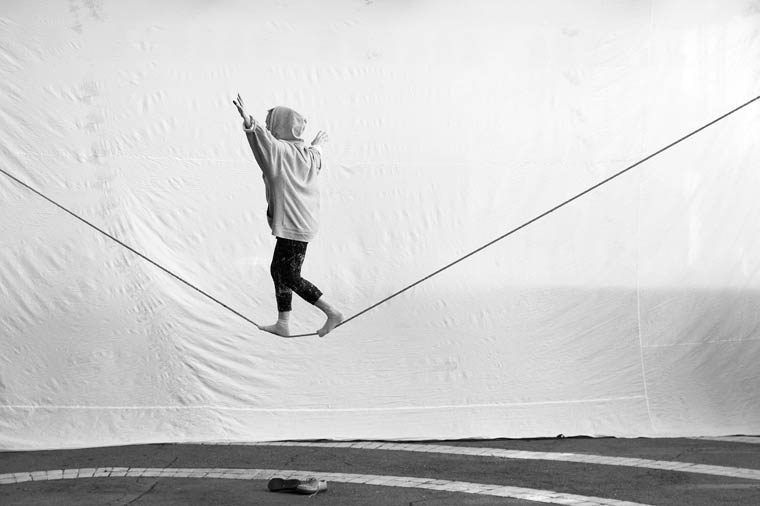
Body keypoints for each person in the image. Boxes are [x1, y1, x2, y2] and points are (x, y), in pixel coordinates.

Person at [233, 94, 343, 337]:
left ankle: (332, 312)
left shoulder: (279, 151)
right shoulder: (306, 153)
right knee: (278, 269)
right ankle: (283, 323)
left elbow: (261, 139)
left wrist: (248, 120)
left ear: (280, 126)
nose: (268, 126)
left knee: (289, 275)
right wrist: (317, 143)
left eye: (270, 122)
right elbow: (317, 154)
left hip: (294, 223)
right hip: (302, 221)